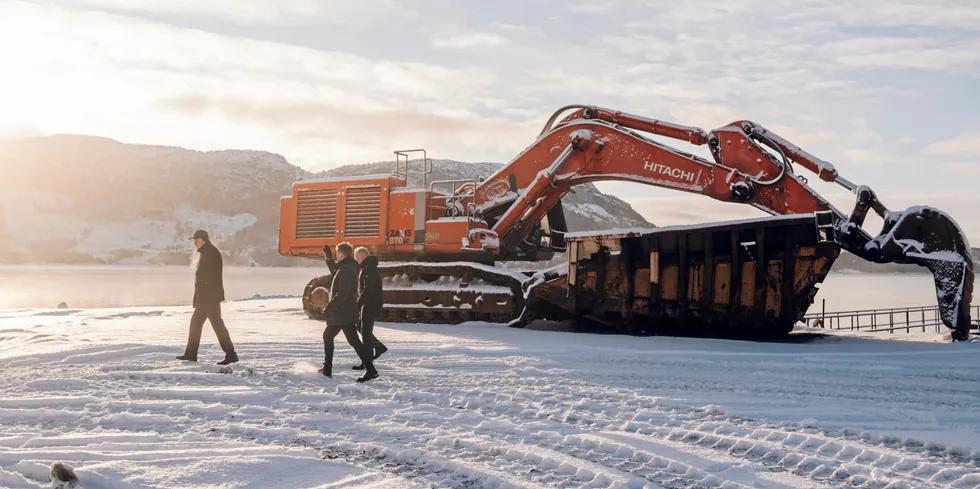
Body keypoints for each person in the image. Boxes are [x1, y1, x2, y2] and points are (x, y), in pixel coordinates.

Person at [177, 230, 239, 365]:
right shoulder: (205, 252)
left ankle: (231, 355)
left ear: (202, 239)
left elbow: (211, 277)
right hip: (204, 298)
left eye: (195, 240)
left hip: (209, 298)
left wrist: (206, 295)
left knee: (217, 326)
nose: (194, 242)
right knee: (196, 324)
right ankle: (191, 354)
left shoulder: (211, 253)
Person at [319, 242, 378, 382]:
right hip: (346, 312)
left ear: (341, 254)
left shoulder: (346, 269)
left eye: (336, 253)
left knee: (329, 337)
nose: (336, 255)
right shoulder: (349, 266)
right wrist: (328, 258)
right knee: (353, 341)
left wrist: (329, 307)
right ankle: (370, 369)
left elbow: (343, 292)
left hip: (342, 312)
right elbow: (335, 270)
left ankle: (328, 369)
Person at [352, 246, 388, 371]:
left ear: (362, 256)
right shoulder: (368, 268)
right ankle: (378, 347)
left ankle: (367, 363)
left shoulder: (369, 269)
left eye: (356, 256)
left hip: (369, 305)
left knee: (366, 335)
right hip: (368, 305)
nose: (355, 259)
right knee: (360, 327)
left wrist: (358, 304)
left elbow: (368, 290)